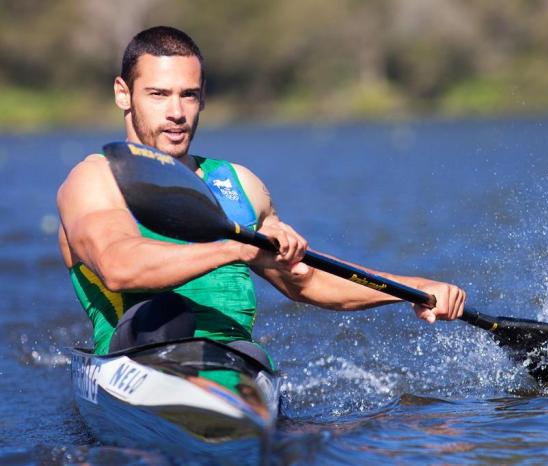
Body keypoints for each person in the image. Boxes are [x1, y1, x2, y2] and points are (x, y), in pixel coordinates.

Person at [57, 26, 466, 363]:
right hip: (136, 358)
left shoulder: (240, 185)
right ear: (123, 94)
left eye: (189, 95)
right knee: (164, 317)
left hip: (237, 365)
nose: (177, 112)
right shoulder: (95, 180)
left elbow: (304, 281)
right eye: (158, 94)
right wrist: (234, 250)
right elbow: (118, 266)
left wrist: (413, 288)